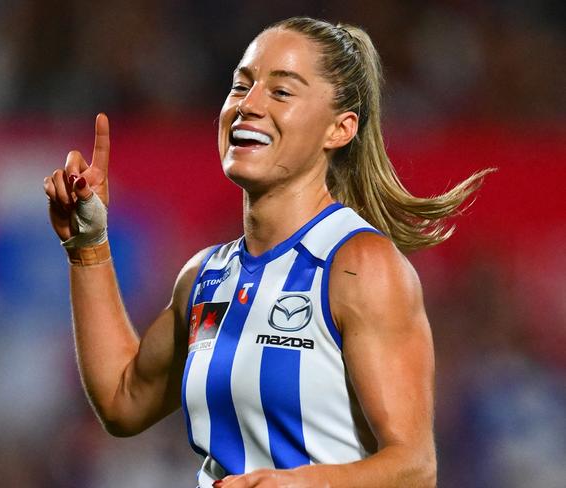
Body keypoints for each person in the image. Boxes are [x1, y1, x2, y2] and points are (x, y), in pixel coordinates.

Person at [43, 16, 491, 488]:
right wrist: (87, 243)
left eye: (281, 92)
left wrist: (298, 483)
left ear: (339, 129)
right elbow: (123, 400)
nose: (248, 105)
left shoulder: (358, 266)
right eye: (241, 86)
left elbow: (415, 468)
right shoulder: (205, 276)